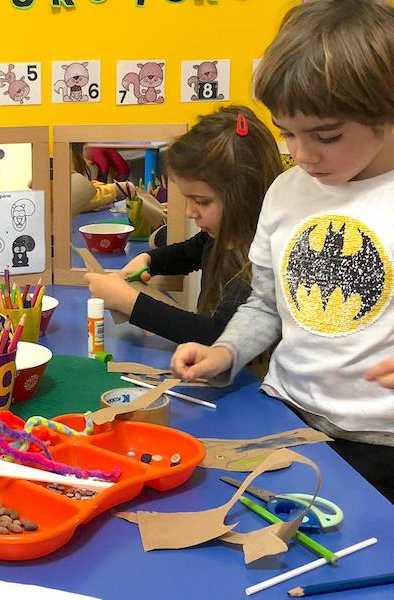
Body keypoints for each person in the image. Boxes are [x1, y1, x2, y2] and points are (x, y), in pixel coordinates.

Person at [171, 0, 394, 501]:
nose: (301, 154)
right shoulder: (286, 190)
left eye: (327, 136)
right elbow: (266, 303)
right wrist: (227, 350)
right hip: (286, 415)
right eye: (287, 132)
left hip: (382, 445)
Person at [85, 105, 282, 345]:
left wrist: (128, 302)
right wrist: (149, 260)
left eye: (201, 201)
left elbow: (216, 335)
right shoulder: (219, 236)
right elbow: (189, 252)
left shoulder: (257, 264)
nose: (190, 212)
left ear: (245, 196)